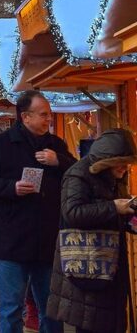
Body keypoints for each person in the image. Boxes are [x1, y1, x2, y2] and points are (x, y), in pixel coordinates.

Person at [0, 90, 74, 333]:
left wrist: (59, 160)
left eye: (49, 115)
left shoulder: (56, 145)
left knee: (51, 308)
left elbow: (76, 174)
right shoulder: (1, 144)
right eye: (43, 115)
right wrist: (11, 187)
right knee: (10, 308)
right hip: (10, 240)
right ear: (25, 117)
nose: (48, 119)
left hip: (46, 240)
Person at [47, 128, 137, 333]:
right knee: (91, 325)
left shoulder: (112, 176)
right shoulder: (78, 174)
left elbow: (115, 215)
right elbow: (73, 212)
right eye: (121, 162)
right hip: (87, 264)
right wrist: (114, 207)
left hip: (106, 263)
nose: (125, 168)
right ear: (108, 160)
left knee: (108, 323)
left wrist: (130, 216)